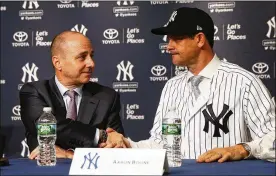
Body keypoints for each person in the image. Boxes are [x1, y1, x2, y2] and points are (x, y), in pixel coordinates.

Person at [109, 7, 275, 163]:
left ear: (199, 39)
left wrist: (241, 149)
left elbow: (272, 137)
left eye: (177, 38)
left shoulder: (244, 82)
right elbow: (161, 144)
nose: (169, 46)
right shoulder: (172, 86)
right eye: (168, 39)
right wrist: (128, 144)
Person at [20, 31, 125, 159]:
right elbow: (48, 128)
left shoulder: (107, 97)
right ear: (58, 63)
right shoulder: (34, 92)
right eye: (82, 57)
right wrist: (100, 136)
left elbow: (116, 149)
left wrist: (69, 155)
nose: (91, 63)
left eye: (91, 56)